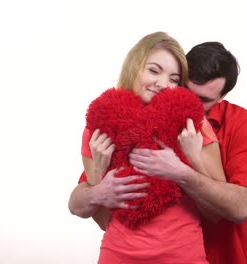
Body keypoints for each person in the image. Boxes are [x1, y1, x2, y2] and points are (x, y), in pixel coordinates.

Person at [68, 32, 226, 263]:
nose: (162, 84)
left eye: (173, 79)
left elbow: (217, 213)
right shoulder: (103, 125)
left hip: (183, 255)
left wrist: (191, 161)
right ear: (134, 66)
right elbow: (97, 217)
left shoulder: (194, 125)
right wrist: (98, 184)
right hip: (118, 254)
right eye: (154, 70)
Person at [127, 42, 247, 263]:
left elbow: (240, 208)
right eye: (185, 90)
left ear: (221, 97)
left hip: (226, 254)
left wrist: (182, 172)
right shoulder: (145, 114)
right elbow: (89, 198)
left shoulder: (242, 122)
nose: (190, 103)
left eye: (203, 100)